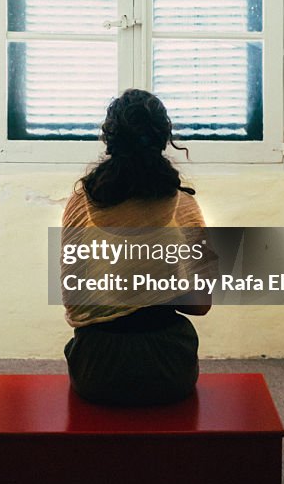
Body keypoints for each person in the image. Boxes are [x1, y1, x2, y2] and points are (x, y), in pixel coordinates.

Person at [61, 88, 213, 407]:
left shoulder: (79, 203)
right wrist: (155, 291)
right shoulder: (184, 205)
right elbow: (201, 304)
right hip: (169, 371)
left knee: (78, 345)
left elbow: (75, 306)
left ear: (110, 142)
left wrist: (123, 292)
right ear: (163, 140)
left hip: (97, 372)